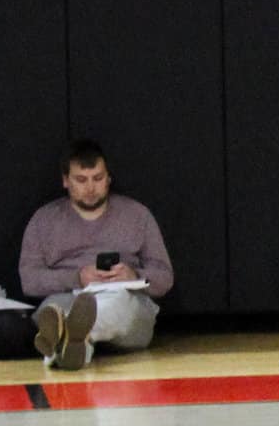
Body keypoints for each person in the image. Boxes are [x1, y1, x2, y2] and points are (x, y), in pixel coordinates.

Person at [19, 140, 176, 372]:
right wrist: (77, 278)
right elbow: (29, 280)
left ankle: (66, 336)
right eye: (81, 180)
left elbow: (165, 277)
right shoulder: (44, 220)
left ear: (109, 178)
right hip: (69, 295)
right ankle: (77, 346)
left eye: (98, 178)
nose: (90, 188)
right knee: (51, 309)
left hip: (126, 300)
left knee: (117, 303)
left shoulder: (137, 214)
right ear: (65, 181)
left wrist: (133, 275)